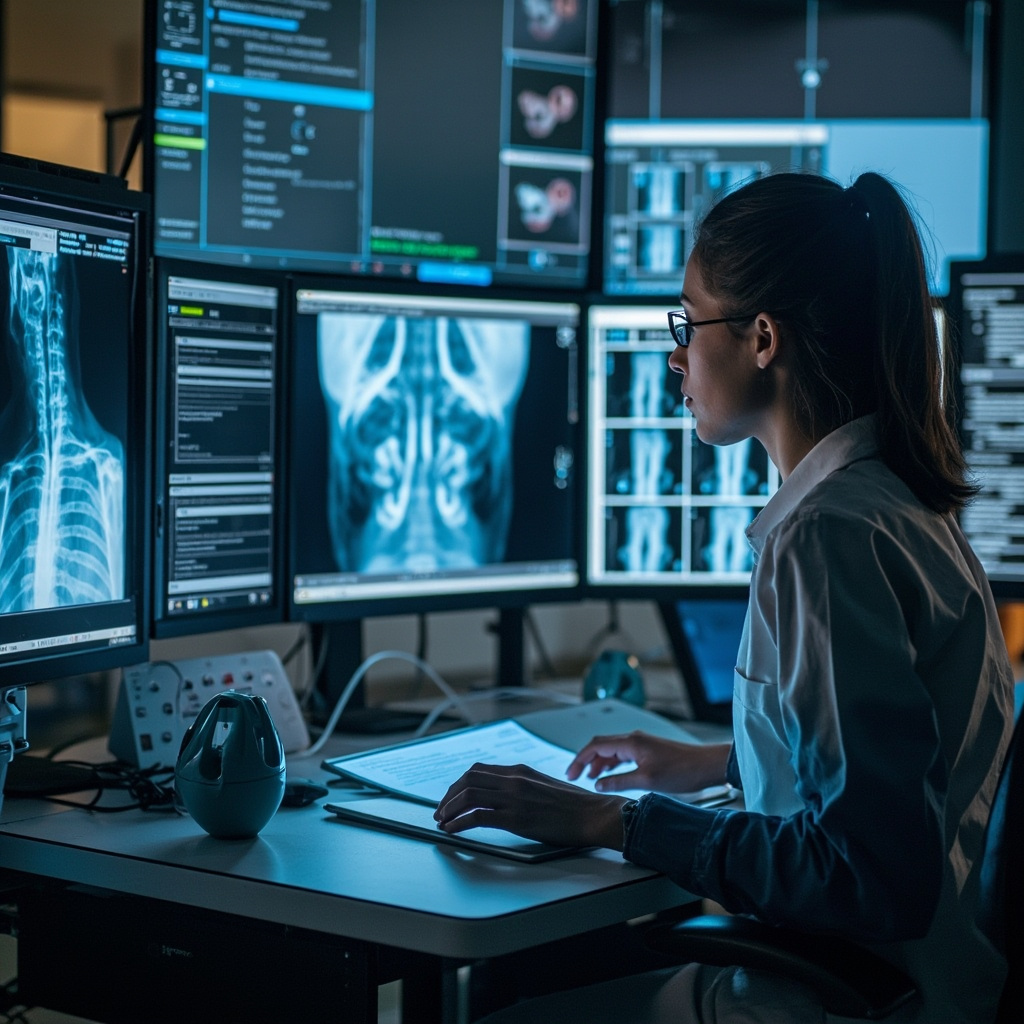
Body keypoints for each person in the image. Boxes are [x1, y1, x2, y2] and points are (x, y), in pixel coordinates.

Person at [434, 171, 1016, 1024]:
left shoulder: (826, 537)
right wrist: (715, 763)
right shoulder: (893, 501)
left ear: (763, 339)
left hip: (832, 999)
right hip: (910, 982)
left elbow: (867, 874)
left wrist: (613, 822)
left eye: (689, 319)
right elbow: (891, 770)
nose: (676, 352)